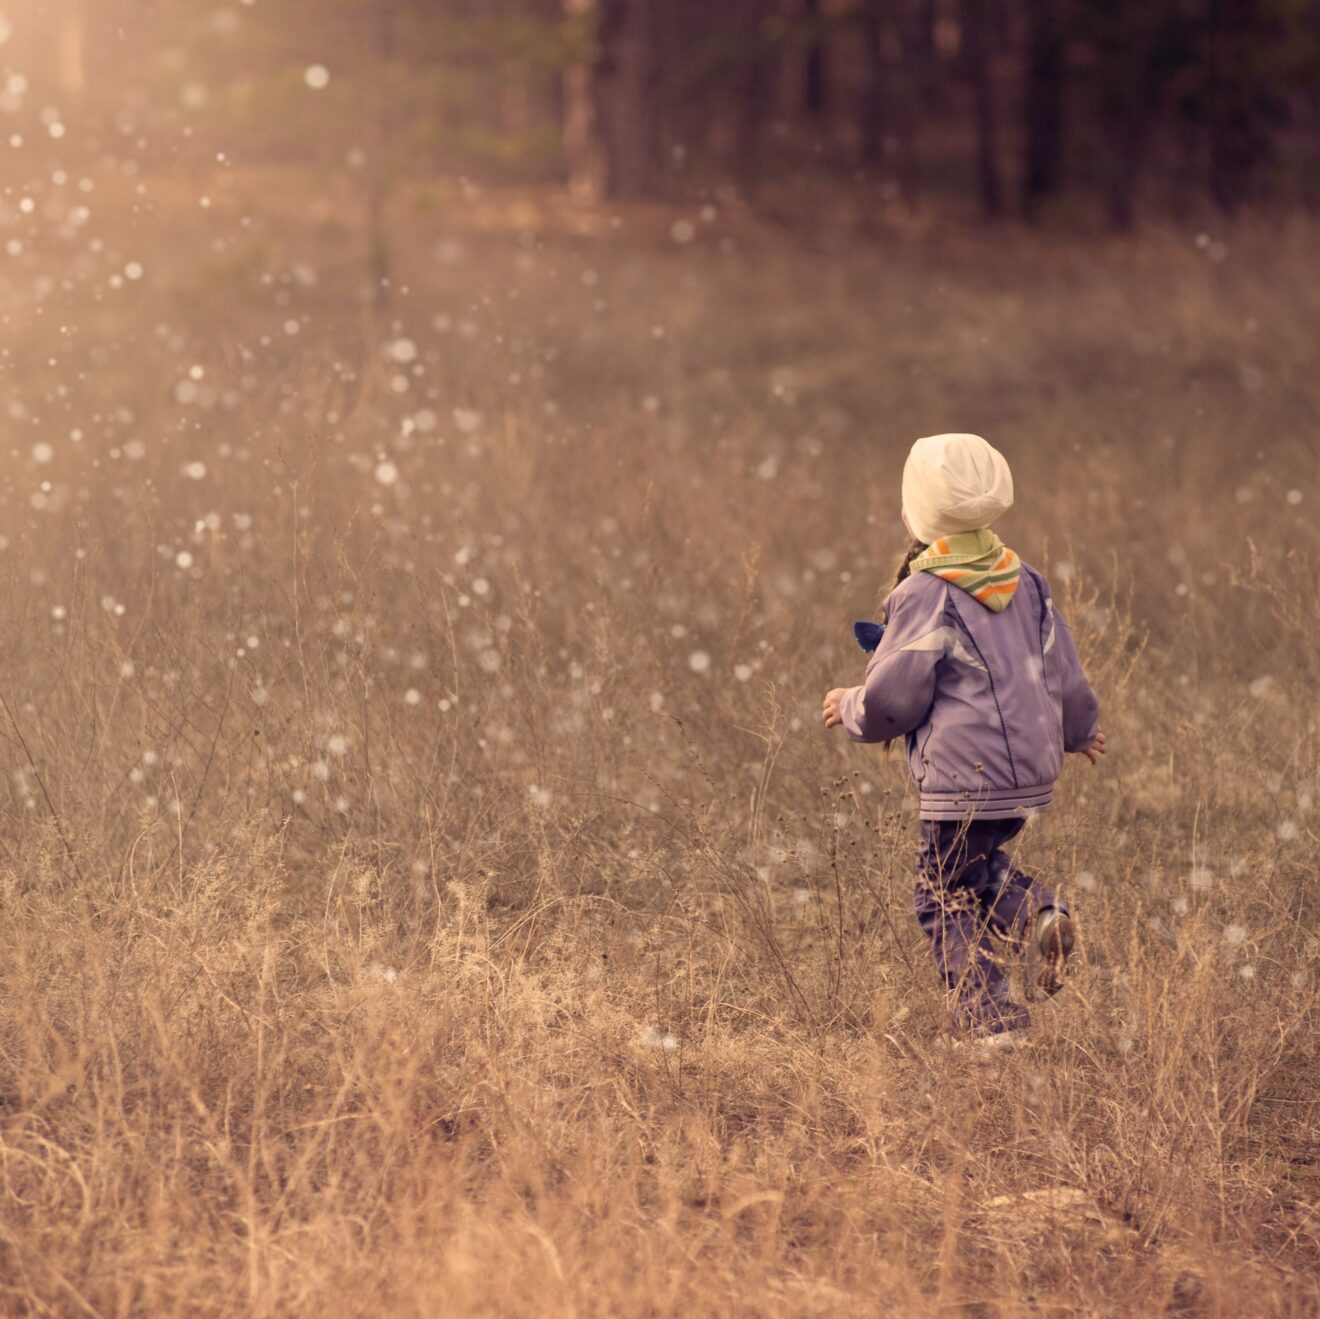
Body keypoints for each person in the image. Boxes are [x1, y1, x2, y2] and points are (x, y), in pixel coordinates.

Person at [822, 433, 1105, 1043]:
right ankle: (1039, 913)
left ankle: (990, 1020)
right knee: (974, 873)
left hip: (961, 777)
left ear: (916, 514)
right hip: (1027, 775)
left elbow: (895, 697)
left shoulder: (927, 593)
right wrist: (1079, 730)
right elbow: (1064, 670)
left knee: (940, 896)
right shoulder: (1027, 582)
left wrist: (851, 707)